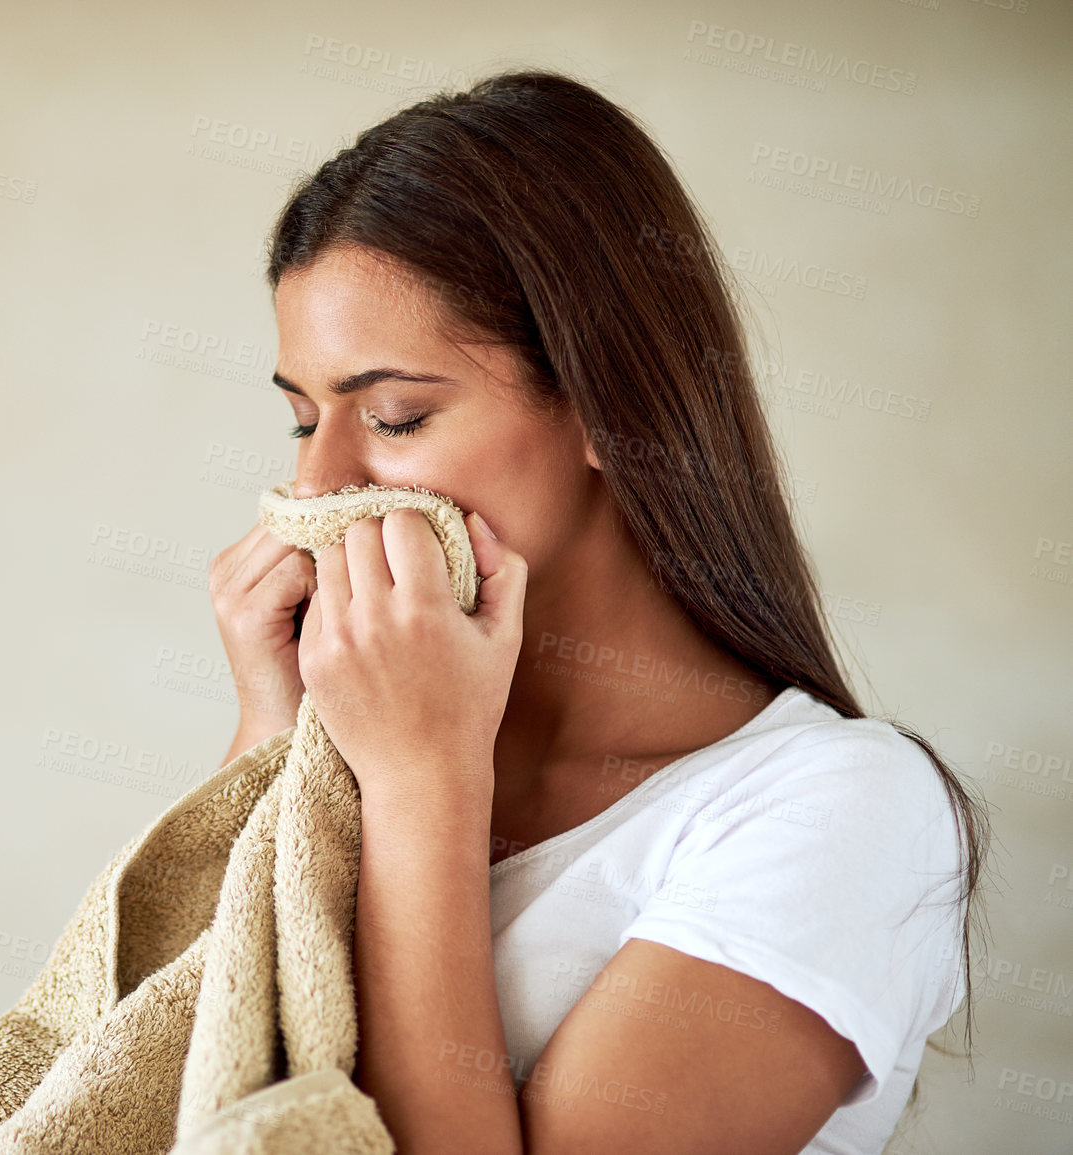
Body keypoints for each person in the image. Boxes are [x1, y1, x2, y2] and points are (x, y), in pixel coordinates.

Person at [207, 70, 988, 1155]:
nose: (320, 487)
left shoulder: (843, 813)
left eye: (395, 416)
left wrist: (423, 777)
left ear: (608, 406)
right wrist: (271, 738)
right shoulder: (351, 746)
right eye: (302, 422)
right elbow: (173, 1087)